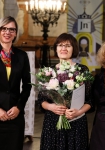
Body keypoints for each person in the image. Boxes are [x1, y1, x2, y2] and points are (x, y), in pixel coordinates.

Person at [38, 33, 93, 150]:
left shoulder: (82, 70)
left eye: (68, 45)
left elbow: (90, 100)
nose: (63, 48)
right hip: (52, 124)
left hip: (76, 122)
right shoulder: (48, 72)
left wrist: (78, 112)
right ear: (56, 48)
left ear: (74, 49)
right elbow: (41, 100)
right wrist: (51, 107)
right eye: (60, 45)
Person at [0, 16, 31, 150]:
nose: (7, 32)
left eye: (11, 29)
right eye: (4, 28)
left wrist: (19, 107)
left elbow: (27, 86)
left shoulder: (21, 56)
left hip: (15, 116)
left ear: (15, 33)